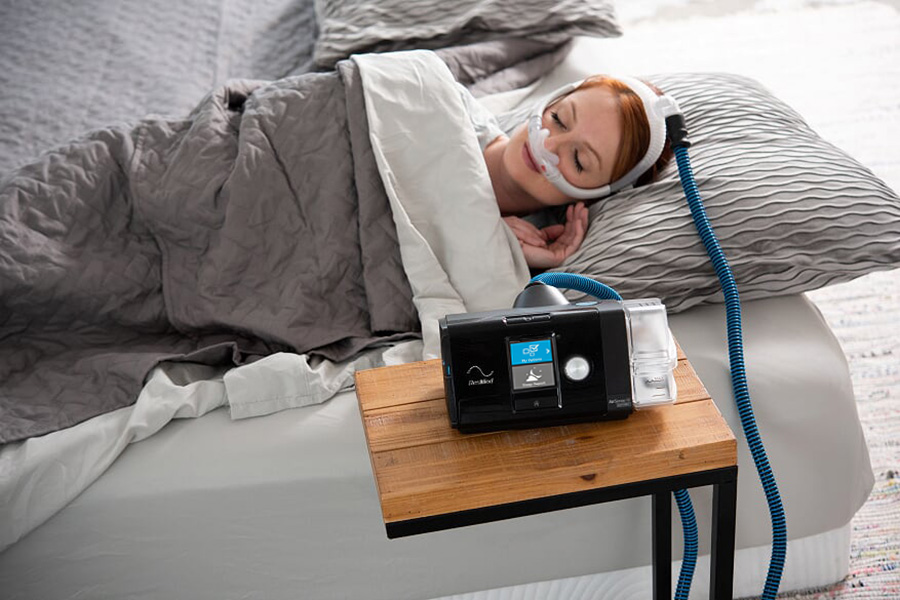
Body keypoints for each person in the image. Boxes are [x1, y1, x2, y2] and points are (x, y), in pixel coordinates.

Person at [460, 75, 674, 270]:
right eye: (558, 119)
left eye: (578, 160)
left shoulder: (528, 244)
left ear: (594, 194)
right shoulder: (452, 107)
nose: (546, 144)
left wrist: (494, 248)